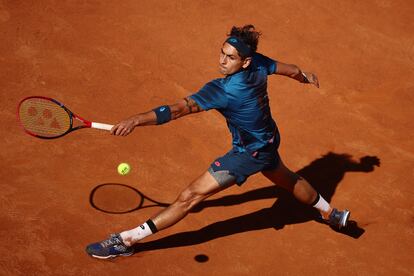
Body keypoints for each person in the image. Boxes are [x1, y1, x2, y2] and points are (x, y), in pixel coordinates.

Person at [86, 25, 350, 259]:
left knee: (189, 197)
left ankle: (126, 240)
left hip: (249, 153)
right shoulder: (258, 63)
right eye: (222, 53)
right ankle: (332, 214)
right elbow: (291, 70)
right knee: (287, 178)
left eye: (230, 57)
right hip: (269, 139)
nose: (222, 61)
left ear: (244, 61)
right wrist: (306, 76)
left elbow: (177, 110)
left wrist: (135, 120)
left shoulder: (222, 90)